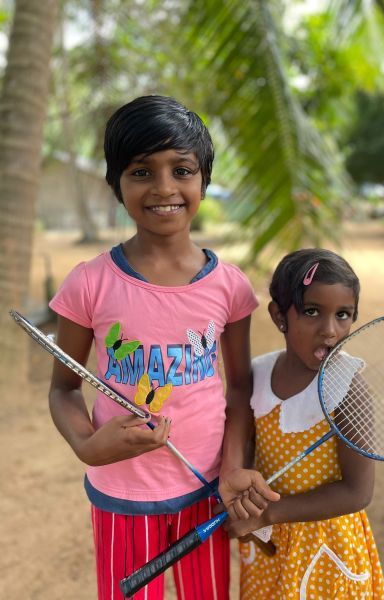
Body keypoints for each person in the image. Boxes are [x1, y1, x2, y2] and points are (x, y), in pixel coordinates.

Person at [48, 95, 278, 600]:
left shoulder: (230, 287)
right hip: (121, 496)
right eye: (141, 172)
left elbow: (239, 387)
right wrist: (87, 445)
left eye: (181, 169)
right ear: (117, 184)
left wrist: (236, 466)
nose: (164, 188)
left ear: (203, 180)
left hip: (206, 489)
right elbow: (64, 388)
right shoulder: (89, 283)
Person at [226, 249, 384, 599]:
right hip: (269, 546)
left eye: (343, 315)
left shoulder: (346, 386)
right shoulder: (259, 373)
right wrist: (248, 512)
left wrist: (270, 513)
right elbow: (250, 458)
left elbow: (358, 492)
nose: (330, 330)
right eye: (312, 312)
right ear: (279, 315)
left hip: (327, 550)